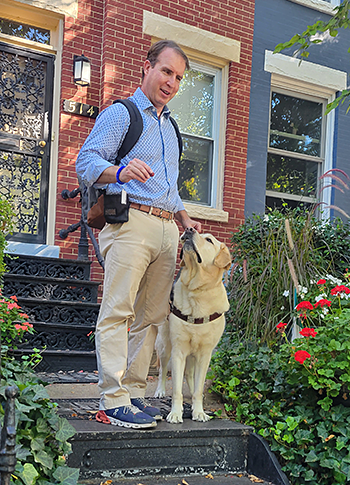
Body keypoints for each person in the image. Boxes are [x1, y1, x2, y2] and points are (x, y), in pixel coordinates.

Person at [76, 40, 201, 429]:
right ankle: (112, 398)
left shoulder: (171, 126)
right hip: (130, 222)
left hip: (166, 227)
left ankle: (132, 393)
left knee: (150, 317)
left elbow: (169, 185)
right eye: (166, 71)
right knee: (118, 311)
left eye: (179, 77)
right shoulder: (122, 113)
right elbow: (86, 161)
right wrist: (120, 172)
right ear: (146, 68)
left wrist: (184, 218)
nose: (172, 82)